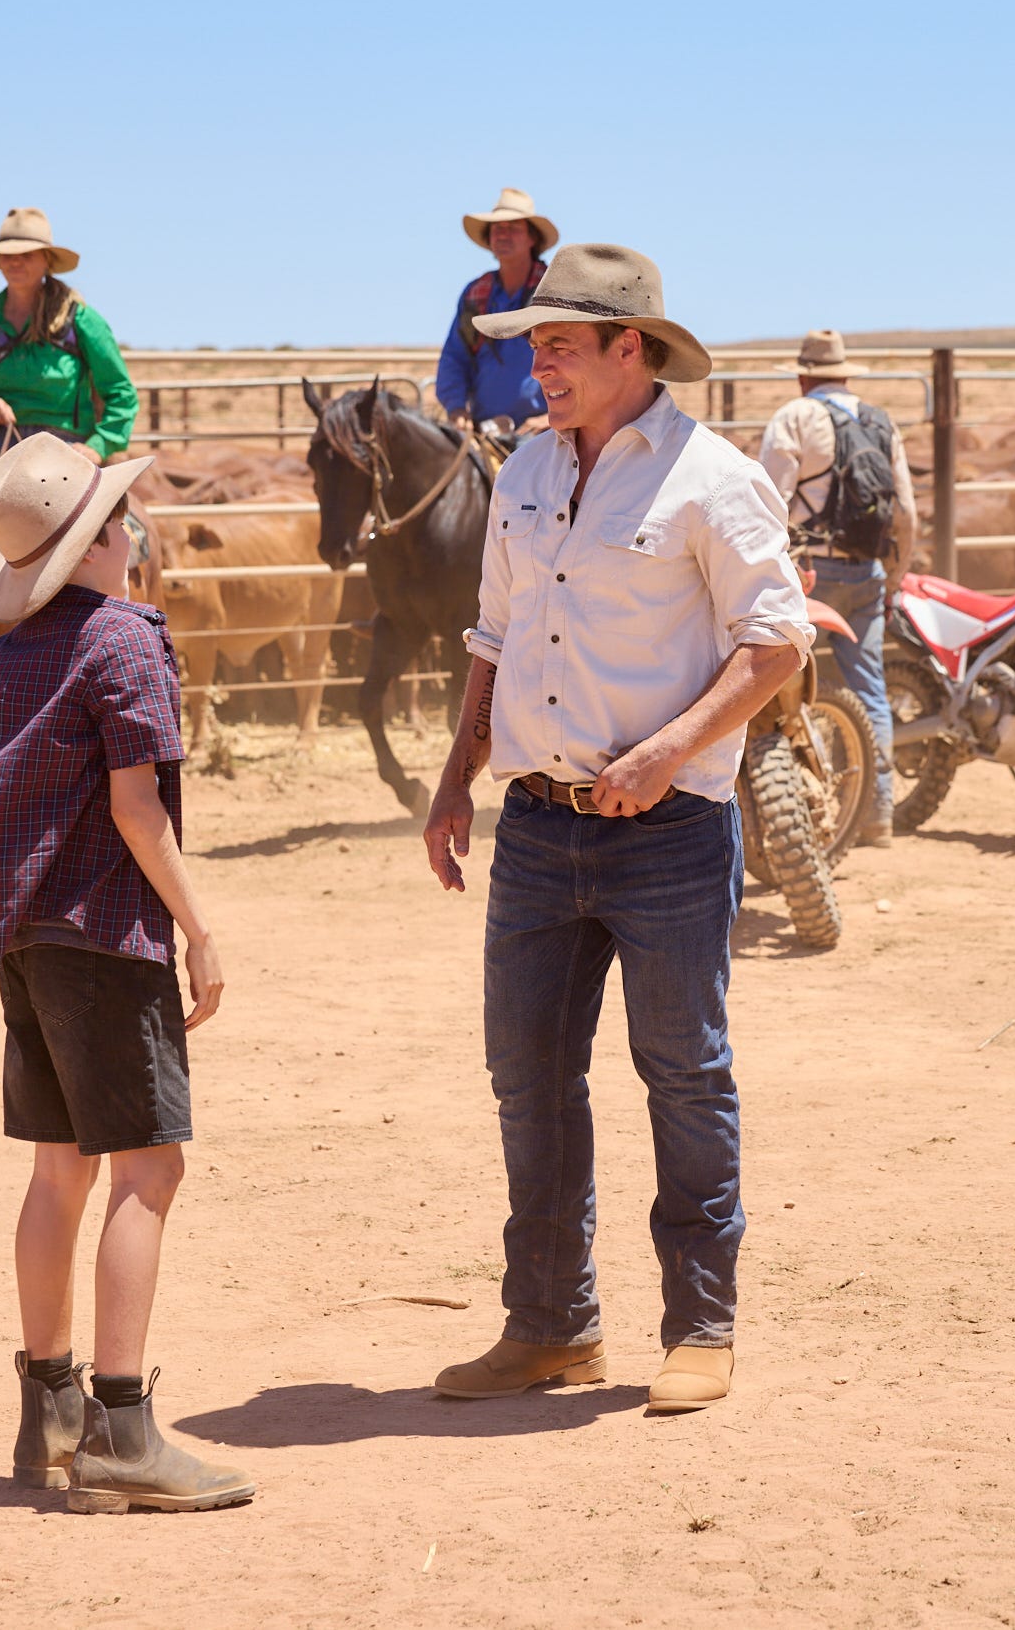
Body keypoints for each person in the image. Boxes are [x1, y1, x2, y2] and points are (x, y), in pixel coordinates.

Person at [420, 244, 812, 1415]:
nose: (537, 365)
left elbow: (778, 644)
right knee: (528, 1081)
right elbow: (492, 639)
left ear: (628, 349)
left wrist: (669, 749)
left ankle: (700, 1325)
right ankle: (551, 1330)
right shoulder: (527, 475)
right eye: (532, 346)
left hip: (668, 830)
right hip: (538, 827)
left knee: (683, 1074)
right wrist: (455, 780)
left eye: (559, 345)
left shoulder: (713, 479)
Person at [0, 433, 248, 1514]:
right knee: (148, 1171)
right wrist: (197, 927)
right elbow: (135, 805)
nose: (135, 525)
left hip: (25, 935)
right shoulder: (123, 639)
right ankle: (121, 1430)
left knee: (57, 1169)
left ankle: (49, 1411)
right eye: (122, 514)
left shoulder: (16, 649)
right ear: (100, 539)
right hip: (106, 933)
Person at [757, 328, 914, 843]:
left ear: (804, 376)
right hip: (867, 569)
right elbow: (907, 512)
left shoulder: (794, 417)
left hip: (810, 573)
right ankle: (878, 813)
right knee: (869, 687)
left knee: (790, 690)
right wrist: (893, 575)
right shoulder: (882, 421)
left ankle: (798, 814)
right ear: (847, 375)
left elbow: (771, 503)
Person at [0, 209, 138, 467]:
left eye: (27, 254)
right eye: (7, 255)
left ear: (47, 260)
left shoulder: (80, 319)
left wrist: (97, 447)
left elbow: (121, 394)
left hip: (66, 445)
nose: (15, 262)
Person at [434, 187, 559, 430]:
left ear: (532, 238)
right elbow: (455, 357)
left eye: (513, 228)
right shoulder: (476, 294)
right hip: (487, 429)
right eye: (497, 229)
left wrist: (553, 420)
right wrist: (457, 408)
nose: (503, 235)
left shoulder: (555, 292)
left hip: (548, 429)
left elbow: (579, 358)